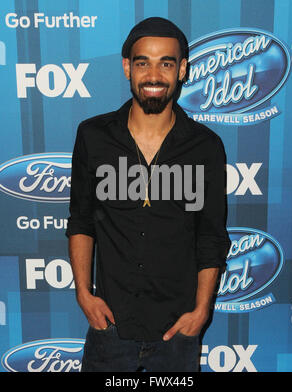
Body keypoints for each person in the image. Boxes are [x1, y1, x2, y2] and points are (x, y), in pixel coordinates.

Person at [66, 17, 231, 372]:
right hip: (110, 327)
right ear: (127, 67)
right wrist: (83, 293)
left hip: (177, 332)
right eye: (143, 62)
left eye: (166, 63)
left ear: (182, 69)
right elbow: (81, 220)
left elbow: (211, 236)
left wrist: (201, 312)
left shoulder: (206, 147)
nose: (153, 75)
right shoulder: (93, 137)